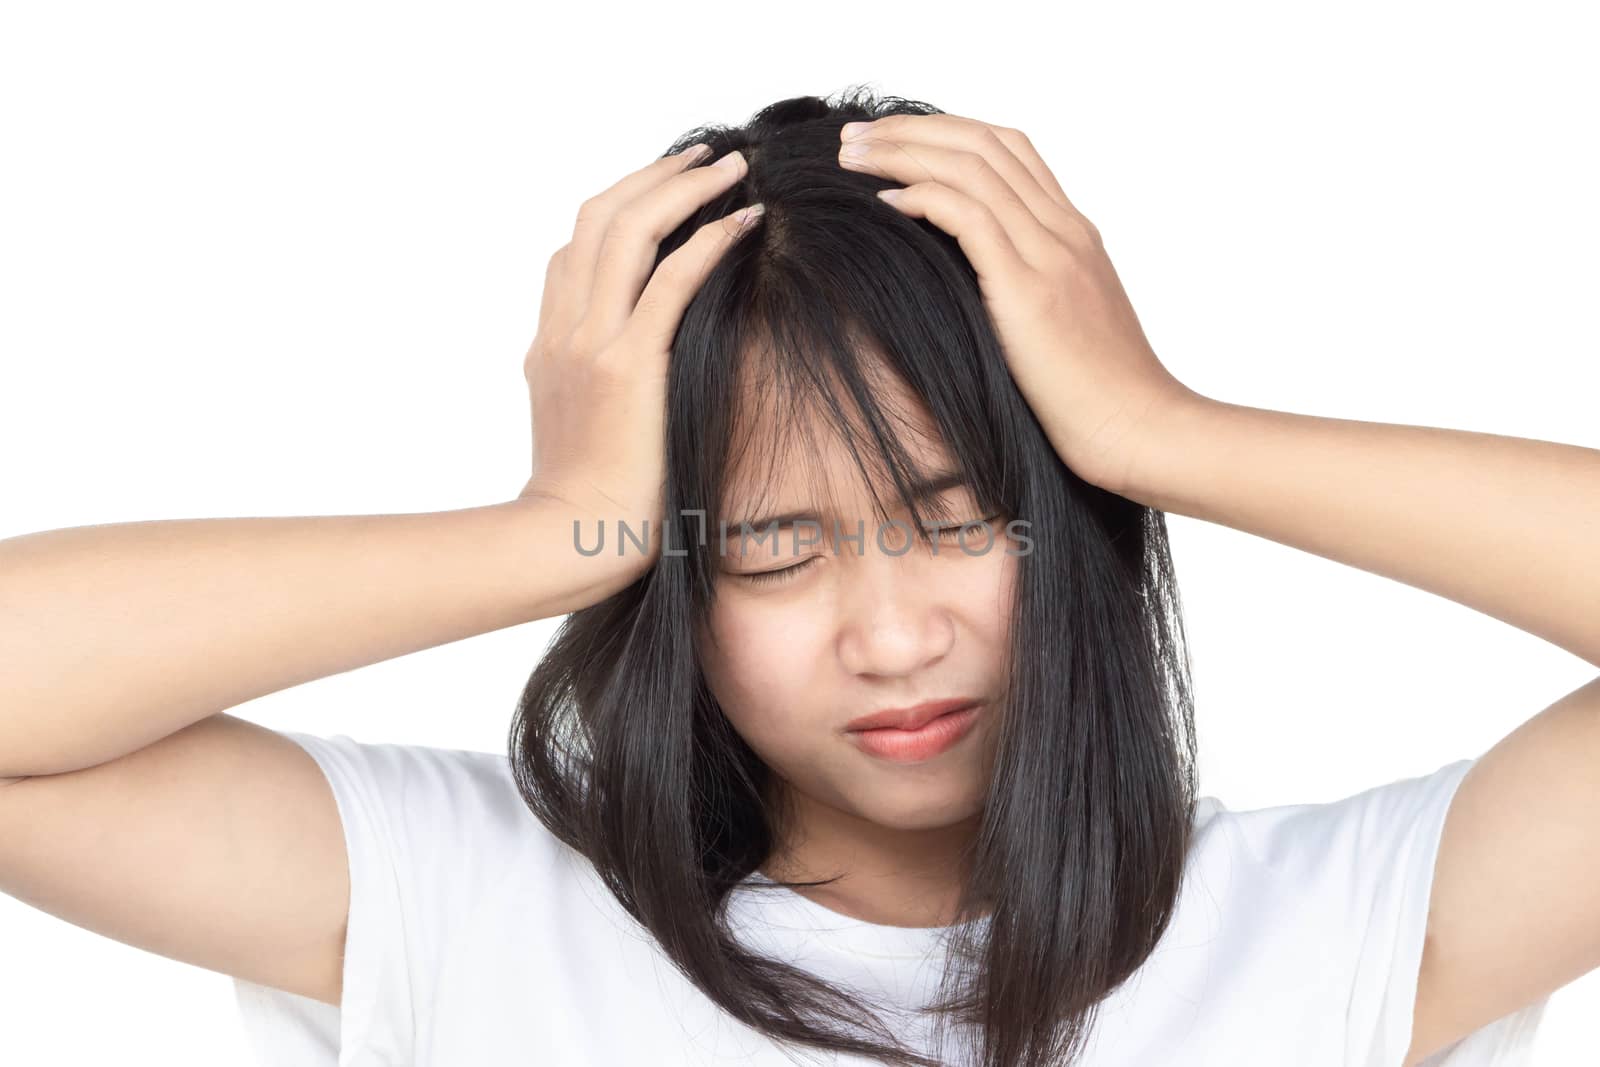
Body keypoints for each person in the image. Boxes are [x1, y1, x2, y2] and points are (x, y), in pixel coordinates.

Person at [0, 85, 1589, 1066]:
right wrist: (553, 524)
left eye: (963, 521)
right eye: (769, 551)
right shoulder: (459, 902)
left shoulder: (1339, 933)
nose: (893, 639)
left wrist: (1161, 430)